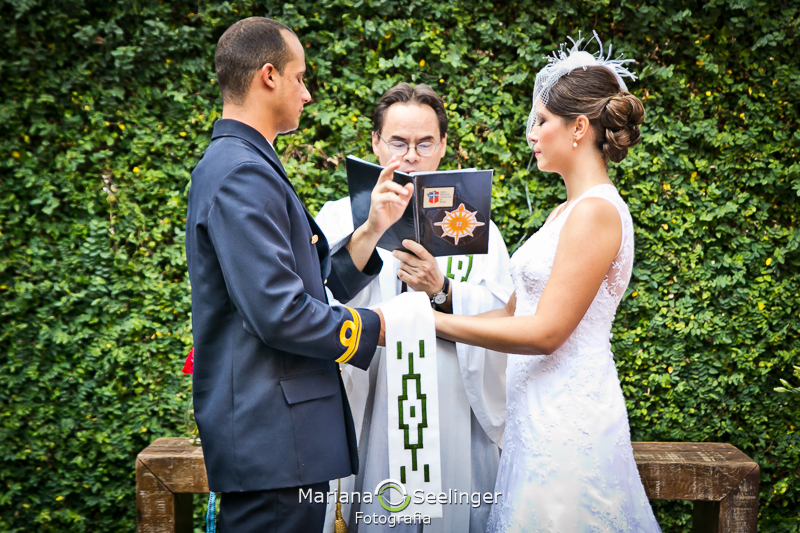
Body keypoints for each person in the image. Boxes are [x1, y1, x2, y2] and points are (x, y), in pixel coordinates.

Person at [185, 18, 414, 533]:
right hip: (274, 441)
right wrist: (379, 324)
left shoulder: (243, 163)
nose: (307, 94)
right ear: (268, 76)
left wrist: (374, 227)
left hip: (280, 442)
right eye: (299, 77)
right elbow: (280, 313)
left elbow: (310, 284)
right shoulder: (243, 172)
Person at [433, 34, 663, 531]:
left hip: (568, 420)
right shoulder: (566, 211)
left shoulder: (596, 213)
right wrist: (434, 315)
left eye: (541, 121)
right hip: (534, 417)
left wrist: (439, 325)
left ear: (579, 127)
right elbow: (515, 314)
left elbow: (545, 332)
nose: (531, 134)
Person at [316, 83, 514, 532]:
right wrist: (368, 230)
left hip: (450, 400)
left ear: (443, 146)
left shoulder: (477, 228)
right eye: (398, 143)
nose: (410, 156)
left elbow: (504, 318)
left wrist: (443, 289)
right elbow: (322, 304)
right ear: (375, 143)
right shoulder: (337, 216)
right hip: (376, 393)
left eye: (425, 143)